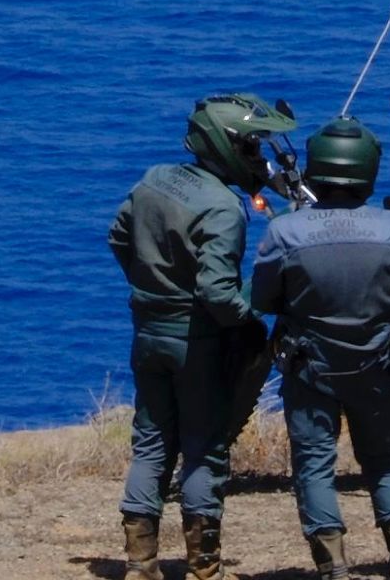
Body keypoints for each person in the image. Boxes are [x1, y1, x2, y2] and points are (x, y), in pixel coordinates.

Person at [111, 93, 297, 580]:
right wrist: (251, 316)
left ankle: (139, 565)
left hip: (148, 330)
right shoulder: (223, 208)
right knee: (203, 450)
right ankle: (204, 568)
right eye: (252, 148)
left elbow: (119, 236)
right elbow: (217, 292)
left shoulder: (153, 179)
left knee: (151, 443)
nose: (258, 159)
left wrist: (151, 285)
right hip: (196, 342)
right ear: (225, 146)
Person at [251, 118, 390, 580]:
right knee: (384, 459)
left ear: (316, 169)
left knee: (314, 467)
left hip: (311, 370)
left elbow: (262, 299)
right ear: (368, 170)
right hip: (377, 365)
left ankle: (333, 569)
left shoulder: (286, 232)